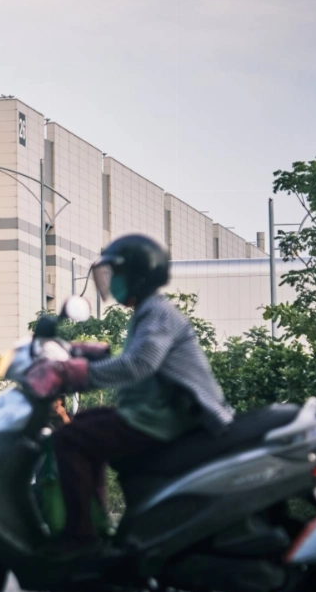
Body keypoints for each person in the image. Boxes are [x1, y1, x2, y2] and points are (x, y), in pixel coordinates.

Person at [26, 234, 233, 548]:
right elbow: (134, 362)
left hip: (168, 417)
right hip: (154, 412)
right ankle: (96, 525)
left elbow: (139, 365)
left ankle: (80, 539)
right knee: (82, 425)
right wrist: (88, 354)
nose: (113, 281)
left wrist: (75, 372)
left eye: (118, 273)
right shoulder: (147, 313)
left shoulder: (158, 313)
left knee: (68, 440)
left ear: (138, 275)